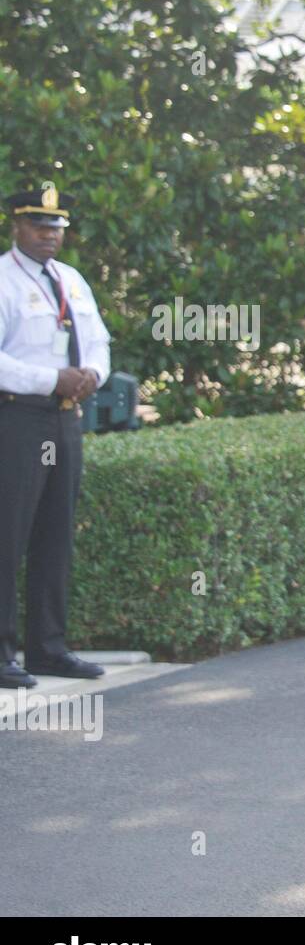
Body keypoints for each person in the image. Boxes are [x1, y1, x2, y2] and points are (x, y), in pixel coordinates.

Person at [0, 186, 111, 689]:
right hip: (17, 417)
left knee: (55, 534)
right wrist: (49, 380)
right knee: (8, 535)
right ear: (17, 227)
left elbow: (99, 341)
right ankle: (2, 655)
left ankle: (48, 648)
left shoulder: (71, 280)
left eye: (57, 227)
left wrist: (94, 375)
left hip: (66, 418)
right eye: (39, 225)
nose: (50, 235)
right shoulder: (2, 279)